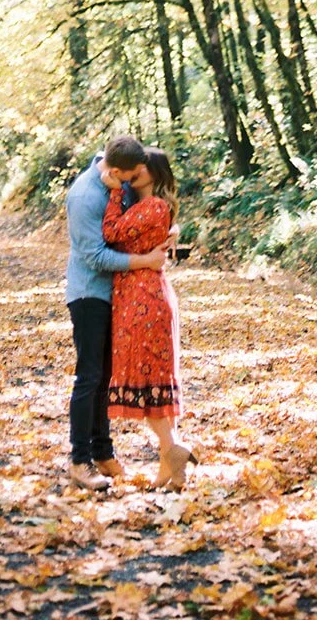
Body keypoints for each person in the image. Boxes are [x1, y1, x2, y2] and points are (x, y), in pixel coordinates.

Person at [65, 135, 167, 491]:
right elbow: (95, 256)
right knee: (89, 376)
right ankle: (79, 461)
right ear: (118, 171)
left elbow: (138, 219)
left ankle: (103, 452)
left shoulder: (117, 172)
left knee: (106, 377)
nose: (132, 181)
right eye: (131, 176)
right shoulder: (84, 196)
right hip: (89, 293)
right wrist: (145, 261)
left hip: (119, 295)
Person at [102, 146, 197, 490]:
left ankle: (173, 448)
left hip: (143, 298)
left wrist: (114, 192)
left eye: (142, 167)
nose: (135, 170)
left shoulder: (153, 206)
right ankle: (170, 467)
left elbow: (111, 232)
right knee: (153, 381)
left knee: (145, 381)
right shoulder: (148, 206)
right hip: (142, 293)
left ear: (154, 172)